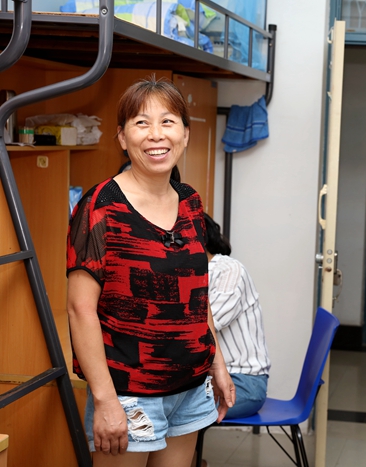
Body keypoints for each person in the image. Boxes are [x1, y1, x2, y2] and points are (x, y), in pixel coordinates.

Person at [66, 77, 235, 467]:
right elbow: (80, 310)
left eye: (167, 122)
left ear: (185, 134)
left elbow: (197, 296)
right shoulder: (100, 207)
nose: (156, 134)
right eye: (141, 123)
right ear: (122, 138)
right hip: (129, 393)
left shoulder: (191, 202)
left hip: (191, 387)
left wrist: (218, 364)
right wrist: (105, 400)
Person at [203, 213, 271, 419]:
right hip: (207, 378)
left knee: (168, 407)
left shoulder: (227, 270)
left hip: (242, 382)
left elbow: (202, 326)